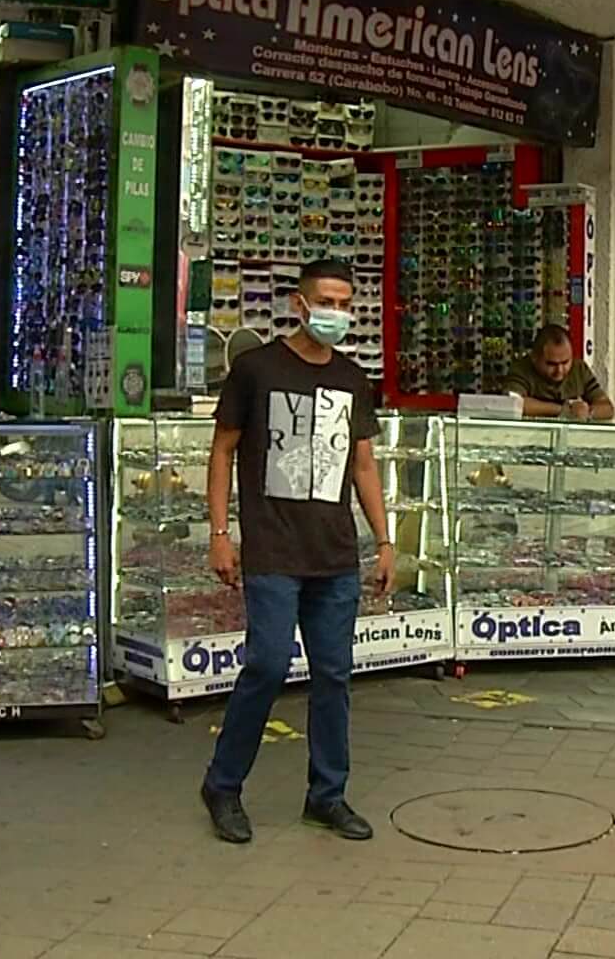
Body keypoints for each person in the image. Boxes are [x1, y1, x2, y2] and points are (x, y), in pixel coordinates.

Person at [200, 258, 393, 846]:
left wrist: (384, 541)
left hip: (334, 555)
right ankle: (224, 784)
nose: (336, 313)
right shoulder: (255, 370)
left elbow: (363, 464)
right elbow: (222, 451)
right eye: (326, 302)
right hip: (273, 550)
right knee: (267, 663)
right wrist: (219, 532)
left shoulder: (353, 379)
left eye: (345, 303)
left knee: (334, 675)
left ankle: (326, 796)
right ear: (299, 305)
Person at [500, 325, 615, 420]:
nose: (559, 370)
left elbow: (607, 408)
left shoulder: (579, 369)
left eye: (565, 362)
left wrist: (588, 412)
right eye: (551, 364)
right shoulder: (521, 369)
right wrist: (563, 410)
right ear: (534, 358)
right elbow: (513, 403)